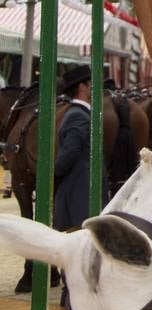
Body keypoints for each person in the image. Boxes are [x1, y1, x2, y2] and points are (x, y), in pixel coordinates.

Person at [53, 64, 95, 233]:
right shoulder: (78, 116)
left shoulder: (79, 114)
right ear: (81, 87)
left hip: (79, 192)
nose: (92, 88)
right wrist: (54, 175)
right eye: (90, 84)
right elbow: (69, 153)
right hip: (79, 194)